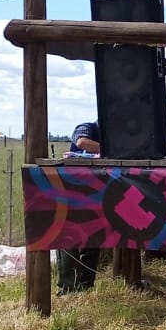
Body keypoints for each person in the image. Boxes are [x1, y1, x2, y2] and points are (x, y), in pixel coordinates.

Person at [56, 121, 102, 295]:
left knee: (94, 236)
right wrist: (110, 149)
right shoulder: (87, 127)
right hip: (73, 188)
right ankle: (68, 287)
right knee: (68, 236)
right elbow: (82, 142)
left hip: (95, 189)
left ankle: (86, 284)